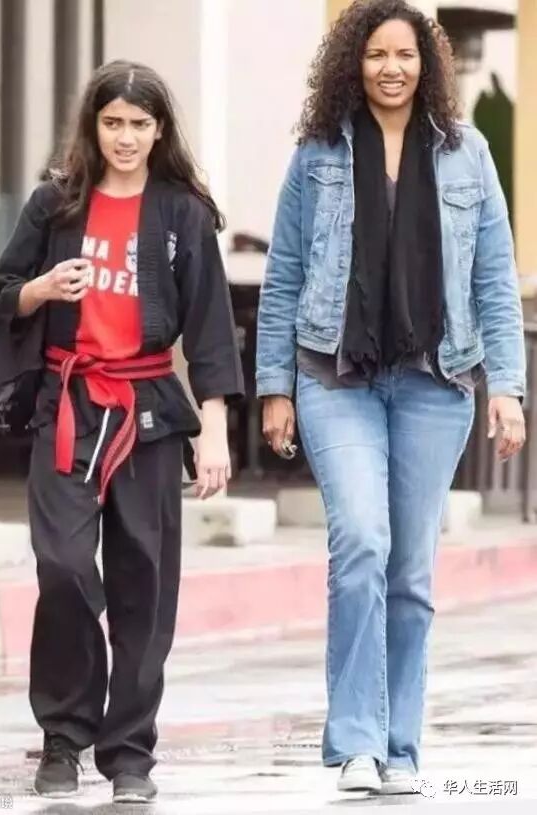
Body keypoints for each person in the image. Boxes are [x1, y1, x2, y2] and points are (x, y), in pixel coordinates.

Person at [256, 0, 525, 797]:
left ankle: (399, 747)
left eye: (404, 54)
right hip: (335, 377)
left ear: (426, 63)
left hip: (434, 384)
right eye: (375, 53)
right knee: (361, 543)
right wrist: (273, 388)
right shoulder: (317, 153)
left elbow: (493, 280)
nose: (390, 68)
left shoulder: (467, 153)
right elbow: (282, 275)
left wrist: (507, 388)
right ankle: (355, 742)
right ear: (353, 61)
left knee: (408, 571)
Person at [0, 61, 243, 804]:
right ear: (93, 125)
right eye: (112, 122)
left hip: (149, 409)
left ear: (159, 130)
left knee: (144, 581)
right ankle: (63, 735)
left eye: (139, 124)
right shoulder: (56, 204)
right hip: (69, 403)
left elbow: (210, 326)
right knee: (63, 566)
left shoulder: (182, 212)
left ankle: (129, 753)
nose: (125, 137)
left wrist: (214, 426)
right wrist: (40, 289)